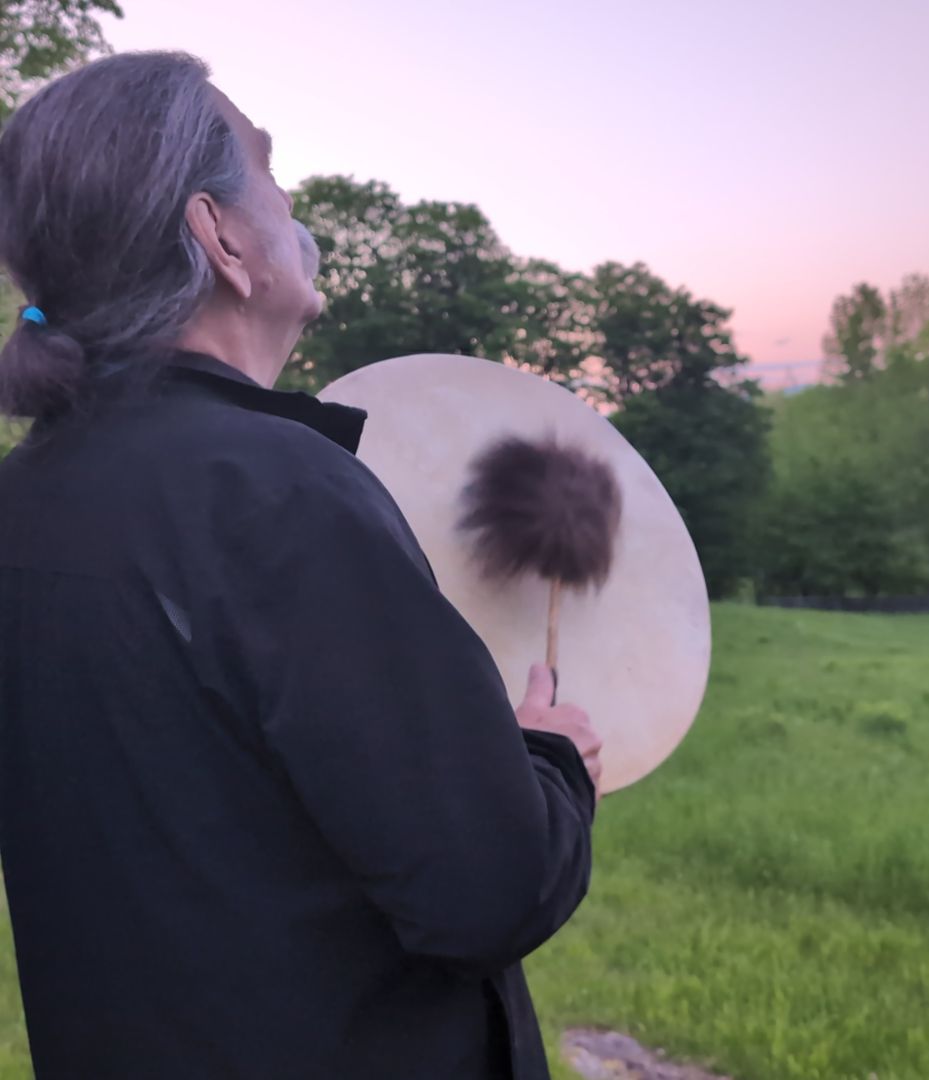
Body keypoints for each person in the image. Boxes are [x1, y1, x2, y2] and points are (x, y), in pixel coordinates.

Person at [0, 51, 602, 1080]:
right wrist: (550, 760)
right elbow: (487, 890)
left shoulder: (26, 498)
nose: (291, 205)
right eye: (268, 170)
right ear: (220, 237)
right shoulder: (281, 493)